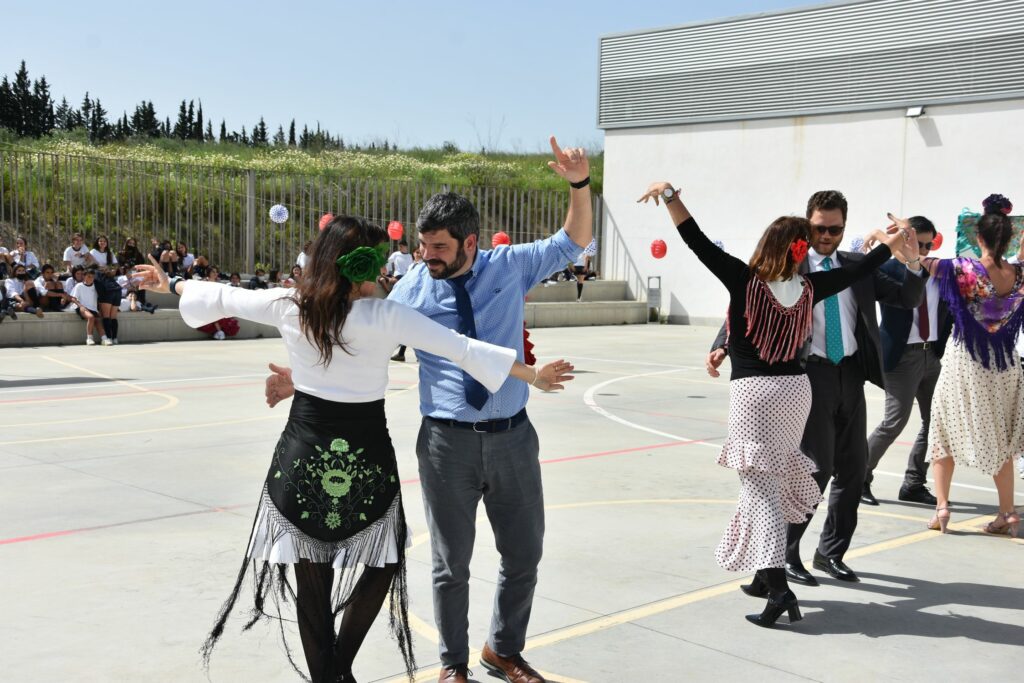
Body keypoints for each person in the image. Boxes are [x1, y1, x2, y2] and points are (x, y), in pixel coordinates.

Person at [131, 214, 574, 683]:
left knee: (312, 574)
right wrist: (532, 375)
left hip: (303, 452)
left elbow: (221, 295)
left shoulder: (290, 305)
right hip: (366, 455)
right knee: (382, 564)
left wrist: (173, 282)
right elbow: (461, 348)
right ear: (362, 267)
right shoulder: (385, 315)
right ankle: (338, 669)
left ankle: (330, 675)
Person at [265, 136, 592, 683]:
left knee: (523, 555)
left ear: (470, 243)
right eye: (422, 246)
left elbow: (573, 239)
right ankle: (453, 665)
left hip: (512, 435)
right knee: (449, 564)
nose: (426, 257)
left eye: (438, 247)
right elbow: (354, 338)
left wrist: (578, 184)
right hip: (447, 444)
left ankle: (503, 651)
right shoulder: (412, 289)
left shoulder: (509, 267)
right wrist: (299, 380)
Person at [639, 180, 910, 627]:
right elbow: (860, 271)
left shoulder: (744, 279)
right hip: (797, 391)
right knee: (775, 482)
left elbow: (695, 240)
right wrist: (893, 242)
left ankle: (779, 588)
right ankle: (766, 576)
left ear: (767, 245)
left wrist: (670, 197)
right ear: (798, 250)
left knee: (759, 490)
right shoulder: (809, 287)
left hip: (756, 396)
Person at [708, 190, 926, 586]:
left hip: (851, 374)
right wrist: (722, 344)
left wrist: (911, 259)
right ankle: (783, 557)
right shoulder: (789, 265)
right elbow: (747, 301)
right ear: (807, 226)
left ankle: (831, 553)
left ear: (845, 227)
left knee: (854, 468)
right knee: (815, 469)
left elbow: (908, 297)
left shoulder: (856, 266)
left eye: (836, 229)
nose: (827, 236)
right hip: (807, 377)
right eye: (820, 229)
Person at [913, 194, 1024, 537]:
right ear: (1010, 239)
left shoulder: (962, 269)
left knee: (942, 430)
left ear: (979, 238)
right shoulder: (1019, 274)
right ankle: (1006, 512)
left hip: (966, 361)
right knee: (1002, 438)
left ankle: (942, 508)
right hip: (1004, 364)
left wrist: (903, 239)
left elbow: (919, 261)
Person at [862, 216, 952, 506]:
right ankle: (857, 478)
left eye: (929, 244)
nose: (924, 249)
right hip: (902, 356)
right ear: (905, 240)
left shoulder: (941, 271)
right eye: (918, 242)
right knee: (894, 422)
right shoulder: (888, 268)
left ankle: (914, 482)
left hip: (932, 355)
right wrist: (884, 238)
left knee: (936, 423)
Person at [70, 269, 102, 344]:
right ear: (84, 276)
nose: (90, 278)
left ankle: (104, 338)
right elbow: (73, 298)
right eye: (88, 276)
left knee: (97, 321)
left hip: (93, 309)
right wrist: (81, 306)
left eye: (92, 277)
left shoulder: (96, 286)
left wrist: (99, 310)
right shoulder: (79, 286)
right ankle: (89, 339)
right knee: (91, 317)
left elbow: (99, 299)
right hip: (81, 307)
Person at [94, 266, 123, 345]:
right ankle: (115, 338)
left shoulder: (96, 274)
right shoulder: (107, 274)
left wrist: (99, 302)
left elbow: (99, 288)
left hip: (108, 292)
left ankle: (108, 338)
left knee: (106, 317)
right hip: (118, 291)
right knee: (113, 317)